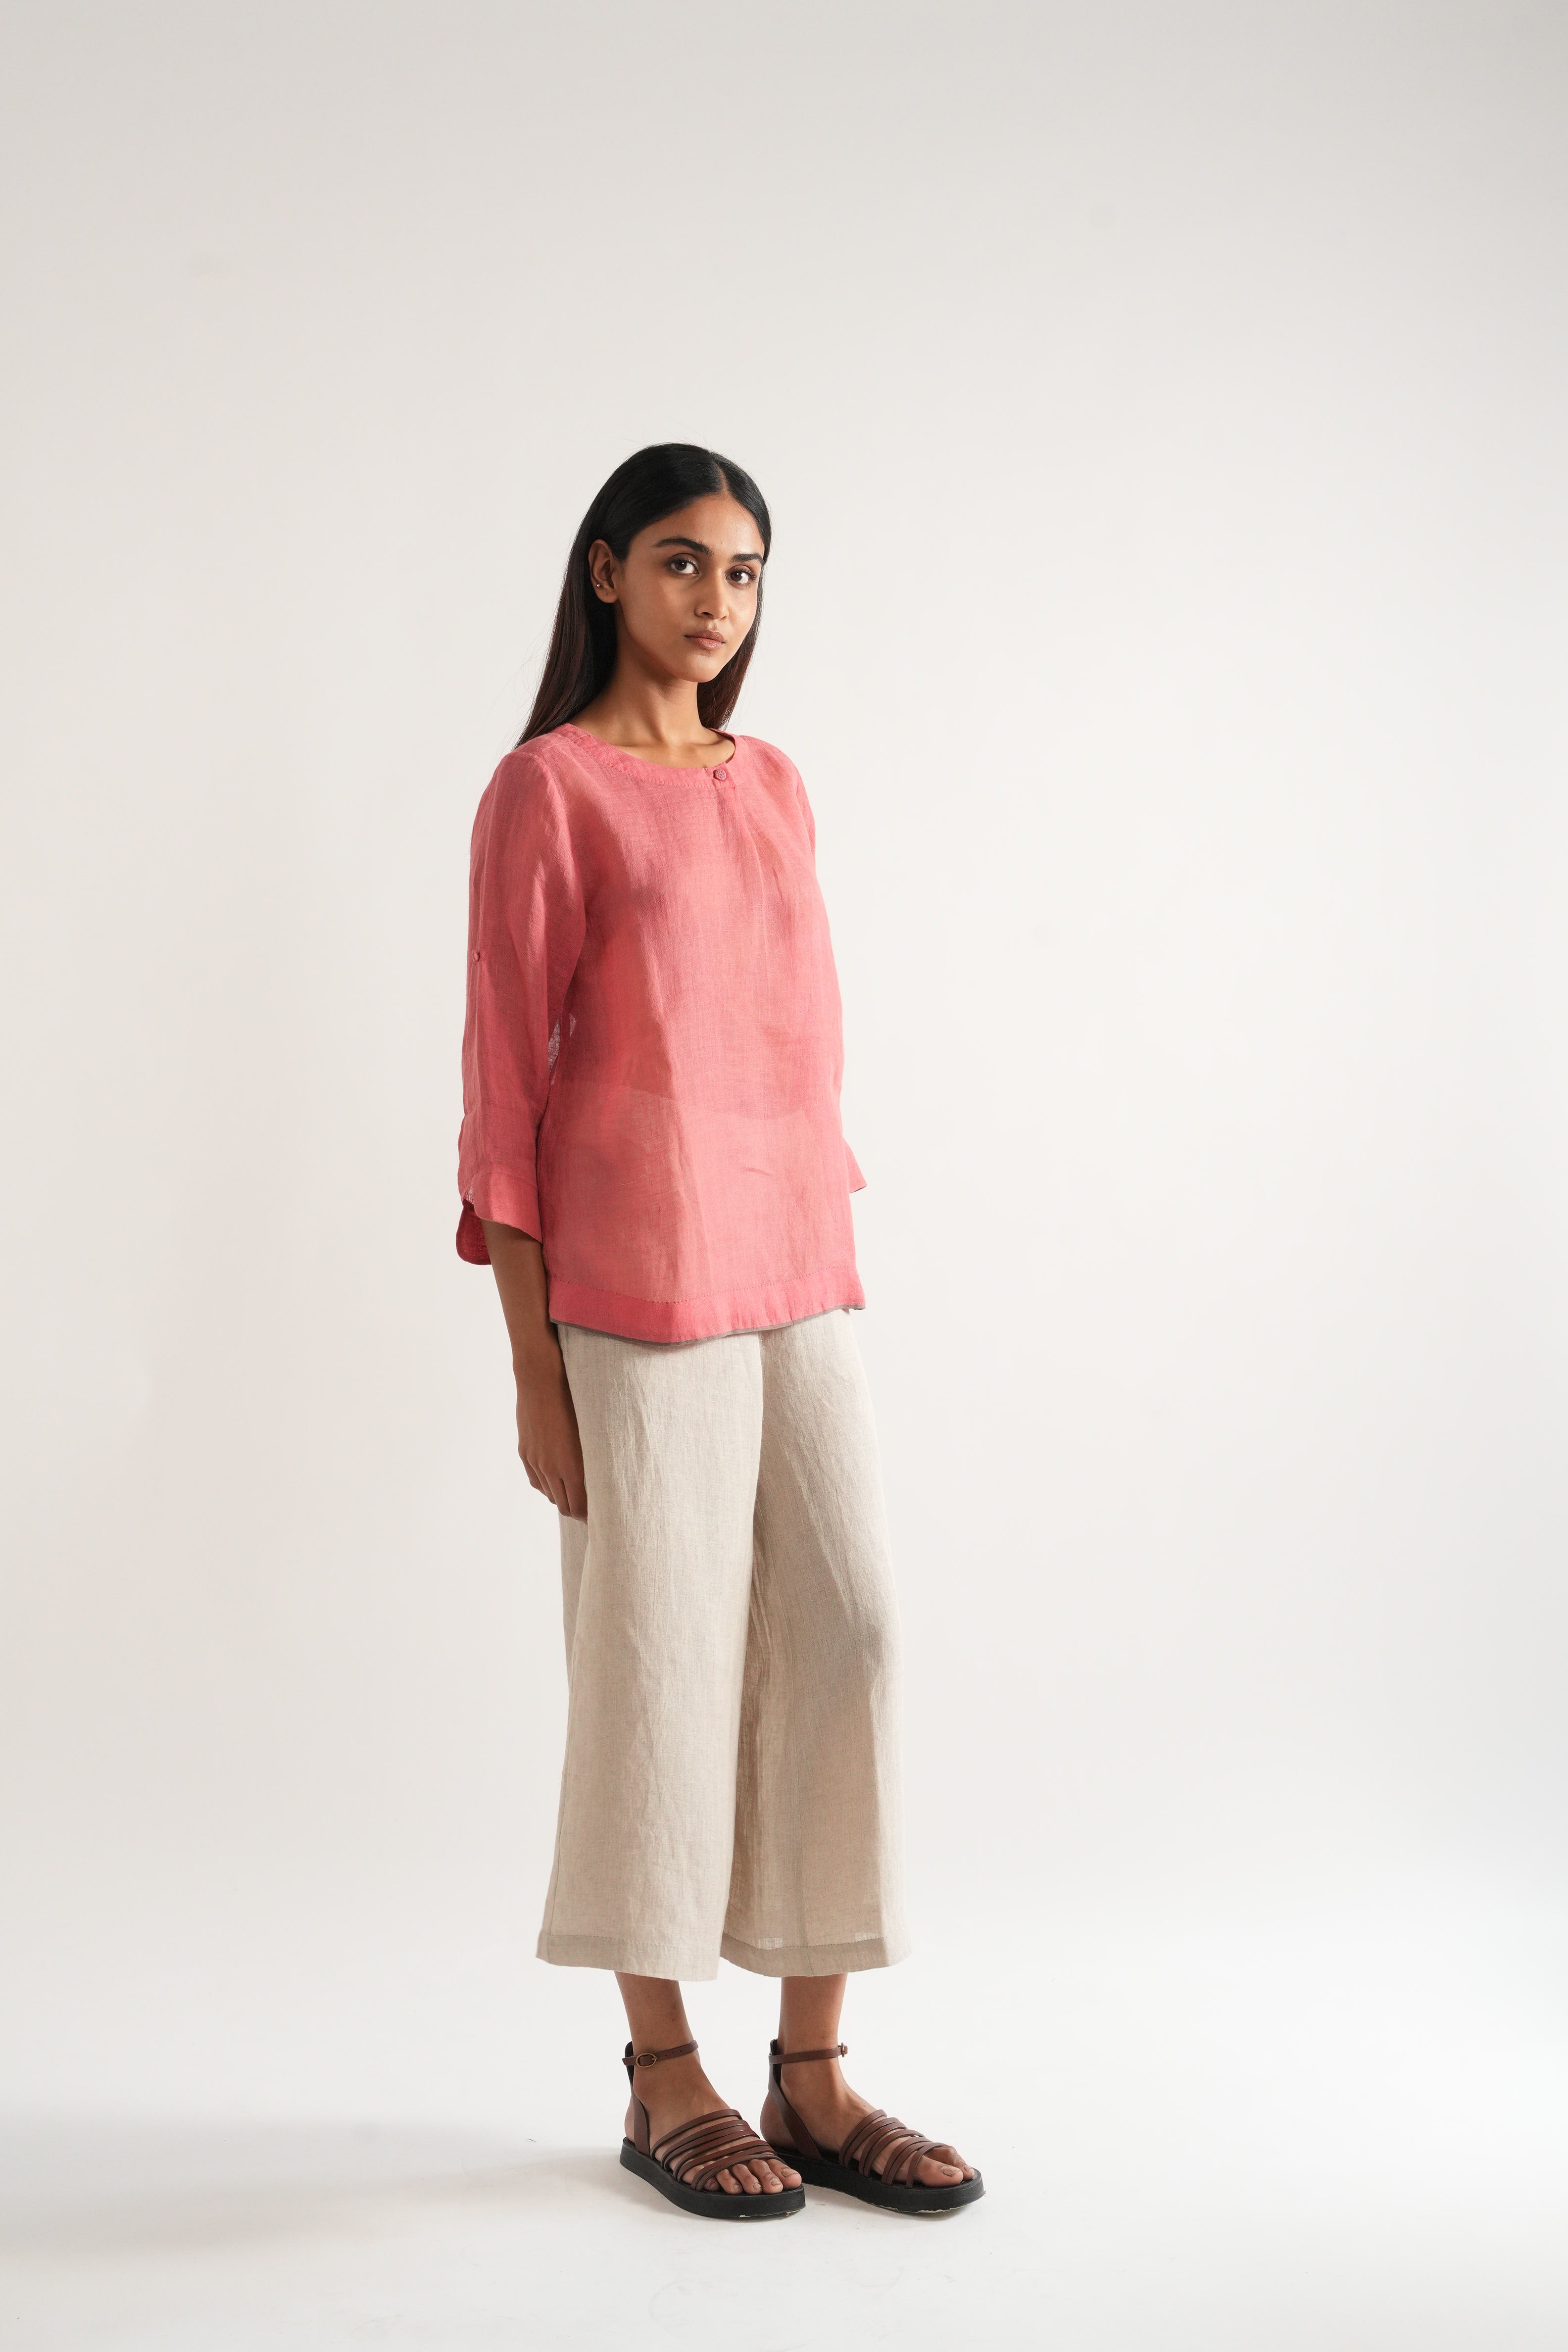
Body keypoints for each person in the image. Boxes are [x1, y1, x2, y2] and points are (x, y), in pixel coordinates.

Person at [456, 443, 981, 2220]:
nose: (717, 602)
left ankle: (813, 2075)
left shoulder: (776, 784)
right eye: (683, 562)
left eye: (745, 573)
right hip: (630, 1293)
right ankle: (663, 2071)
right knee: (658, 1661)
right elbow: (502, 1095)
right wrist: (533, 1366)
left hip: (798, 1265)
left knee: (854, 1631)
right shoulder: (547, 789)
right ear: (607, 572)